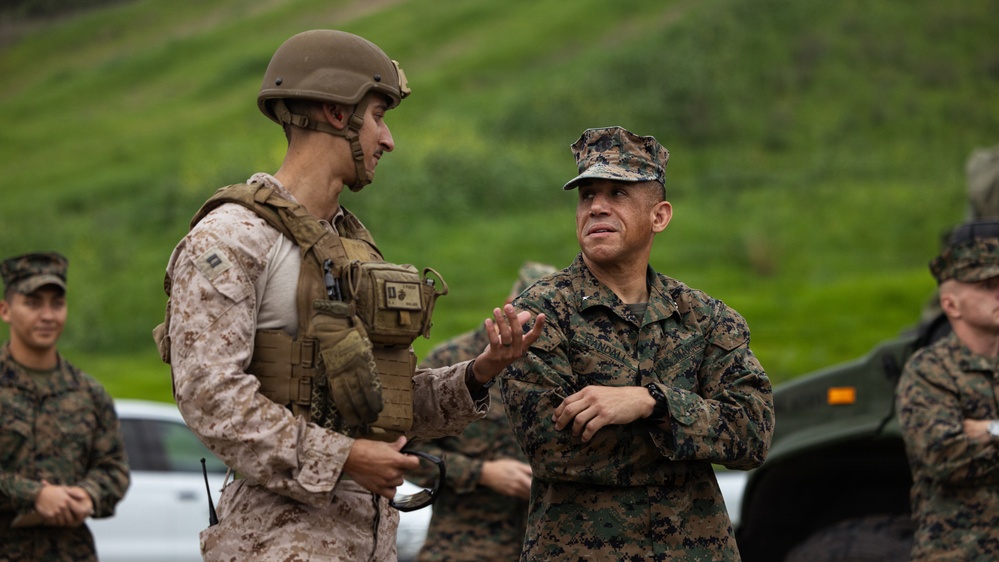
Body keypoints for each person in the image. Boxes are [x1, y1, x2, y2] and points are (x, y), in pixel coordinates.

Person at [155, 29, 545, 561]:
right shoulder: (232, 238)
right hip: (276, 543)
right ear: (338, 114)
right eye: (378, 117)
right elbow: (210, 398)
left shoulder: (351, 246)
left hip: (368, 542)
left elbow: (382, 405)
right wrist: (344, 458)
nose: (388, 140)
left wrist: (479, 372)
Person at [501, 126, 775, 560]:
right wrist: (693, 434)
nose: (597, 207)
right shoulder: (538, 314)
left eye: (618, 193)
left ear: (659, 216)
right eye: (587, 196)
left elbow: (752, 433)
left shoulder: (705, 317)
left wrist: (652, 404)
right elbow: (553, 449)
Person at [410, 261, 556, 562]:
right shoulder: (453, 359)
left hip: (544, 547)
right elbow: (406, 452)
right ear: (508, 306)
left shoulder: (560, 370)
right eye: (530, 318)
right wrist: (482, 473)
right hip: (464, 546)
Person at [0, 251, 130, 561]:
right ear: (5, 310)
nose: (48, 315)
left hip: (70, 552)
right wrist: (35, 495)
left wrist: (88, 495)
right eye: (33, 303)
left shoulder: (88, 393)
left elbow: (114, 468)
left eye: (57, 304)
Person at [896, 221, 999, 561]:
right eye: (987, 285)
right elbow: (943, 457)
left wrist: (986, 430)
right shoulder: (930, 371)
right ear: (951, 305)